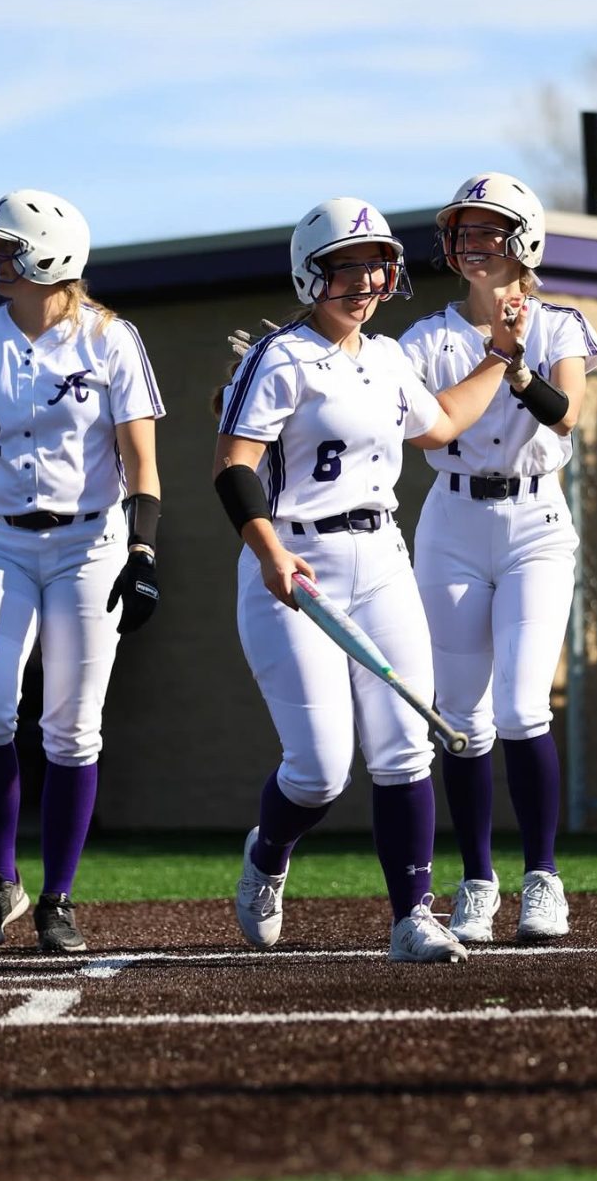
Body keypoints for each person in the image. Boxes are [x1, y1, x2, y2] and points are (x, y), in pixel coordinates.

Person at [212, 197, 525, 963]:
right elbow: (232, 467)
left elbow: (441, 427)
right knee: (318, 772)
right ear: (307, 274)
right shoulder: (279, 358)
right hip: (295, 564)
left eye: (374, 266)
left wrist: (499, 357)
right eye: (342, 267)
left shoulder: (386, 358)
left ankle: (411, 915)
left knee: (403, 749)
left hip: (381, 557)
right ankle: (268, 854)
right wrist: (267, 552)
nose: (362, 281)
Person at [0, 188, 164, 954]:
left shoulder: (111, 340)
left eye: (6, 247)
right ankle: (1, 880)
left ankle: (58, 896)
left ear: (51, 256)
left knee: (71, 727)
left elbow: (141, 463)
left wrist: (144, 550)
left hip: (90, 543)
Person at [398, 172, 597, 943]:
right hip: (452, 519)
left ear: (524, 238)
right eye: (462, 230)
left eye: (487, 229)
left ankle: (543, 878)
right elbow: (405, 417)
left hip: (533, 522)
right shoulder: (426, 337)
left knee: (522, 708)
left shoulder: (557, 325)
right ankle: (478, 881)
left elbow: (564, 421)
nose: (469, 243)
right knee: (460, 718)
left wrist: (515, 365)